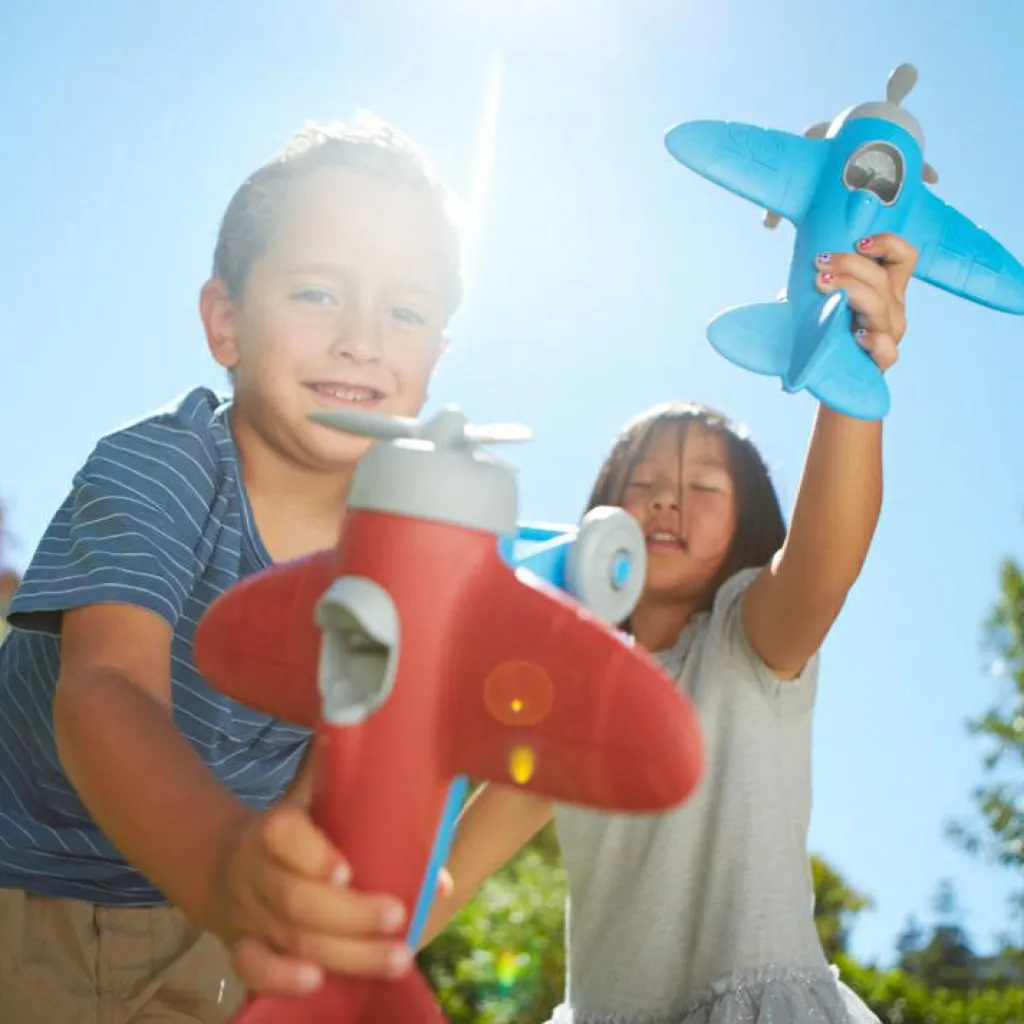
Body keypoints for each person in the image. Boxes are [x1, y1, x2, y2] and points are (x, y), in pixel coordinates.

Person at [0, 114, 460, 1023]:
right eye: (319, 293)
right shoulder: (162, 464)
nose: (362, 339)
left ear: (435, 357)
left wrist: (298, 888)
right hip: (28, 889)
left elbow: (334, 765)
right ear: (226, 323)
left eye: (404, 310)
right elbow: (104, 690)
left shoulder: (396, 566)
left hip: (209, 918)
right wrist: (221, 863)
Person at [417, 235, 918, 1023]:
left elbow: (824, 563)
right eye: (642, 482)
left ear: (750, 519)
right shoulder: (566, 703)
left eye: (702, 485)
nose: (664, 500)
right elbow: (443, 880)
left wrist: (854, 376)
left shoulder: (747, 640)